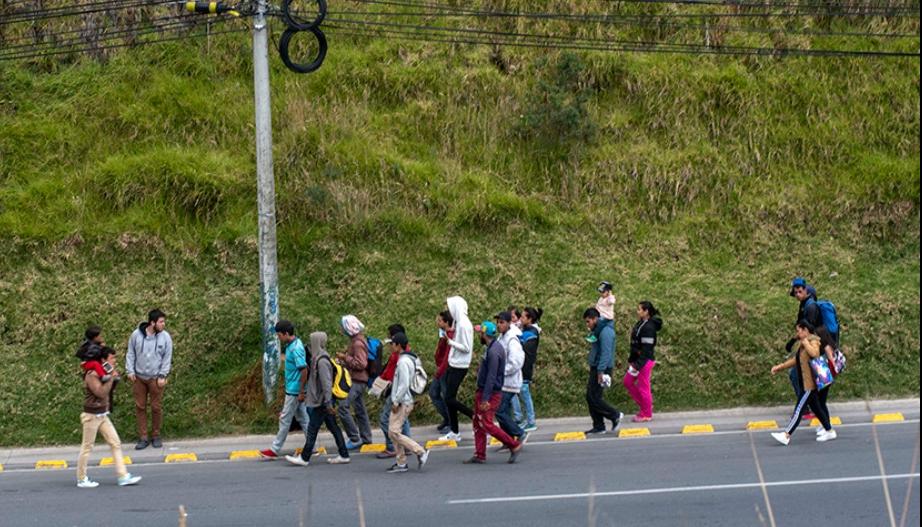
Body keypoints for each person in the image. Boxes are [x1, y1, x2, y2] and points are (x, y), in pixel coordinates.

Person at [76, 346, 142, 488]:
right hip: (91, 415)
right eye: (112, 358)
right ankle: (81, 478)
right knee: (87, 447)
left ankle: (123, 476)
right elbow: (100, 392)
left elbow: (109, 389)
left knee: (115, 443)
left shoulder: (103, 371)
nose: (114, 361)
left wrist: (113, 377)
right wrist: (111, 379)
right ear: (103, 360)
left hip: (102, 414)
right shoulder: (92, 374)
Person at [286, 332, 351, 466]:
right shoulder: (318, 358)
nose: (310, 345)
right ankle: (344, 454)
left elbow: (326, 384)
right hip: (323, 401)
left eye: (312, 341)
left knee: (312, 429)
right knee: (333, 427)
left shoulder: (322, 361)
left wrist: (328, 403)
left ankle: (304, 458)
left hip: (322, 402)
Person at [464, 322, 523, 464]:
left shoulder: (494, 351)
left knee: (487, 424)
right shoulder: (492, 347)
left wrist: (485, 399)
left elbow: (491, 376)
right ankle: (480, 454)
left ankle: (514, 445)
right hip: (484, 391)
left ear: (485, 335)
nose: (480, 336)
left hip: (489, 393)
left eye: (481, 334)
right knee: (478, 423)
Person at [770, 321, 837, 445]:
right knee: (816, 409)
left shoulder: (814, 341)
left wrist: (805, 341)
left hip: (809, 385)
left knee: (799, 409)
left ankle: (786, 434)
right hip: (805, 383)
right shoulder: (803, 344)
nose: (797, 333)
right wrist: (779, 367)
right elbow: (795, 360)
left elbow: (815, 354)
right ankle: (829, 431)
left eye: (799, 331)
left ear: (805, 330)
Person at [260, 320, 311, 459]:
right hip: (294, 389)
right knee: (304, 418)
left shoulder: (296, 348)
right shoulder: (292, 345)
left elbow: (304, 370)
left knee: (284, 419)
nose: (278, 338)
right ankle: (312, 447)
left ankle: (275, 449)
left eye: (279, 335)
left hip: (295, 391)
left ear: (286, 333)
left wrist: (301, 392)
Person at [126, 308, 173, 450]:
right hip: (139, 377)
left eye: (163, 321)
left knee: (156, 407)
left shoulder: (165, 337)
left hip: (156, 378)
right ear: (152, 323)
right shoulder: (136, 335)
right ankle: (143, 437)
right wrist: (130, 370)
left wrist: (163, 375)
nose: (163, 324)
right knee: (140, 407)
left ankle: (156, 435)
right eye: (161, 321)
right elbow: (130, 353)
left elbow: (167, 357)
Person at [385, 332, 430, 473]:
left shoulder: (403, 361)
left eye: (392, 344)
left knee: (393, 432)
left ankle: (420, 451)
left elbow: (404, 384)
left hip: (403, 401)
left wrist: (396, 401)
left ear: (398, 345)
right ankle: (401, 462)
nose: (390, 346)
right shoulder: (407, 359)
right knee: (393, 432)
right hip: (403, 400)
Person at [375, 324, 413, 459]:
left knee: (385, 420)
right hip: (401, 393)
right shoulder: (406, 353)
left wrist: (395, 399)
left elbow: (397, 377)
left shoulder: (400, 358)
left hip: (395, 391)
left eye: (391, 340)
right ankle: (408, 446)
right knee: (403, 420)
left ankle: (392, 446)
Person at [440, 296, 475, 442]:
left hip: (460, 365)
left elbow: (466, 348)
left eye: (450, 308)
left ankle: (474, 416)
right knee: (449, 398)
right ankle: (455, 431)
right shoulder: (459, 323)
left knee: (449, 398)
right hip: (454, 363)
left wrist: (451, 342)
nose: (449, 311)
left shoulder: (464, 325)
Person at [583, 307, 623, 434]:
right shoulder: (597, 330)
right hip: (596, 367)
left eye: (588, 321)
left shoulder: (606, 332)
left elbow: (606, 353)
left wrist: (601, 371)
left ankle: (614, 415)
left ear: (595, 319)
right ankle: (599, 426)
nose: (587, 324)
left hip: (602, 368)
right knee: (592, 397)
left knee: (593, 397)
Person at [336, 314, 373, 450]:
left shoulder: (357, 343)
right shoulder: (356, 340)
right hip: (359, 379)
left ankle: (354, 437)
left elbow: (361, 363)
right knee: (360, 409)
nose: (342, 329)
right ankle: (366, 437)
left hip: (357, 380)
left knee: (343, 407)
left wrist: (345, 358)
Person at [624, 301, 663, 423]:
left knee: (643, 387)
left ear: (646, 312)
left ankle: (646, 414)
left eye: (640, 309)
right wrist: (632, 360)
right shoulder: (642, 322)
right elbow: (635, 344)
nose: (637, 311)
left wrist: (637, 365)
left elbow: (646, 349)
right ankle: (646, 406)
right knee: (627, 381)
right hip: (637, 360)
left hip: (644, 362)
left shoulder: (649, 327)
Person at [788, 277, 820, 419]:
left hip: (811, 348)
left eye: (799, 292)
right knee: (802, 377)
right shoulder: (804, 304)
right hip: (807, 346)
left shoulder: (810, 307)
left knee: (796, 375)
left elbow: (809, 331)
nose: (797, 295)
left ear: (805, 290)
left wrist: (802, 345)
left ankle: (805, 409)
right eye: (795, 293)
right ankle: (809, 407)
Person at [494, 311, 527, 445]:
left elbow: (516, 362)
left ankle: (519, 432)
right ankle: (507, 440)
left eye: (502, 322)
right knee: (504, 411)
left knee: (499, 411)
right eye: (498, 322)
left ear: (509, 323)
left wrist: (500, 371)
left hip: (510, 382)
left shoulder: (512, 340)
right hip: (502, 382)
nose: (499, 325)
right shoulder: (501, 338)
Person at [513, 307, 542, 432]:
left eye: (523, 317)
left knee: (525, 393)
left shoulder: (532, 332)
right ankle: (526, 419)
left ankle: (531, 421)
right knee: (522, 393)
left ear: (530, 319)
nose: (521, 319)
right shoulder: (527, 329)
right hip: (522, 366)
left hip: (525, 366)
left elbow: (525, 349)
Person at [430, 311, 454, 435]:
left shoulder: (450, 335)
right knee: (434, 393)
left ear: (446, 322)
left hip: (444, 369)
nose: (437, 322)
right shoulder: (443, 334)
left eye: (440, 320)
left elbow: (447, 355)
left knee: (446, 396)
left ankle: (451, 423)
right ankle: (447, 418)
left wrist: (440, 370)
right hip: (440, 367)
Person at [814, 326, 840, 436]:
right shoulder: (827, 345)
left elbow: (832, 362)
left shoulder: (827, 347)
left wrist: (831, 374)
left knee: (821, 403)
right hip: (824, 375)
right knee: (821, 402)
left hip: (825, 376)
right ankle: (824, 423)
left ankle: (826, 425)